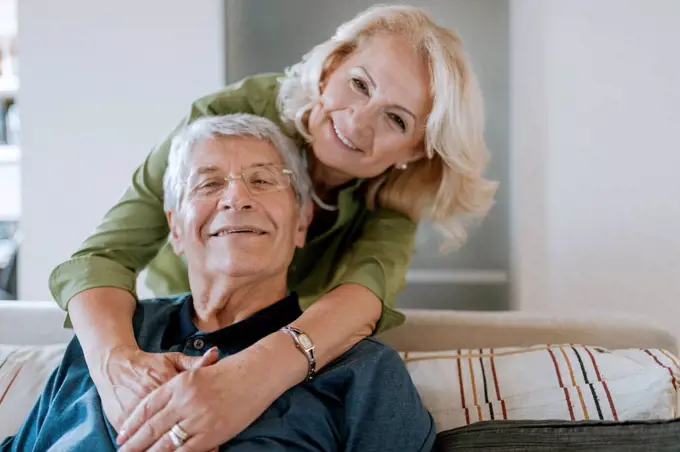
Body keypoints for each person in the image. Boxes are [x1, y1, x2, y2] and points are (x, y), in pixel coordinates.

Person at [48, 4, 497, 449]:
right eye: (359, 85)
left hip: (288, 335)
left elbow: (364, 298)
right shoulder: (226, 119)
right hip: (183, 316)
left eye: (395, 117)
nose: (358, 122)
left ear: (414, 151)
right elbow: (103, 256)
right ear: (330, 68)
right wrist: (116, 367)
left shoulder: (392, 200)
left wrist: (248, 378)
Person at [3, 114, 436, 452]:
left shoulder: (362, 369)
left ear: (302, 221)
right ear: (174, 227)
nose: (236, 198)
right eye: (208, 183)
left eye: (264, 180)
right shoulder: (109, 338)